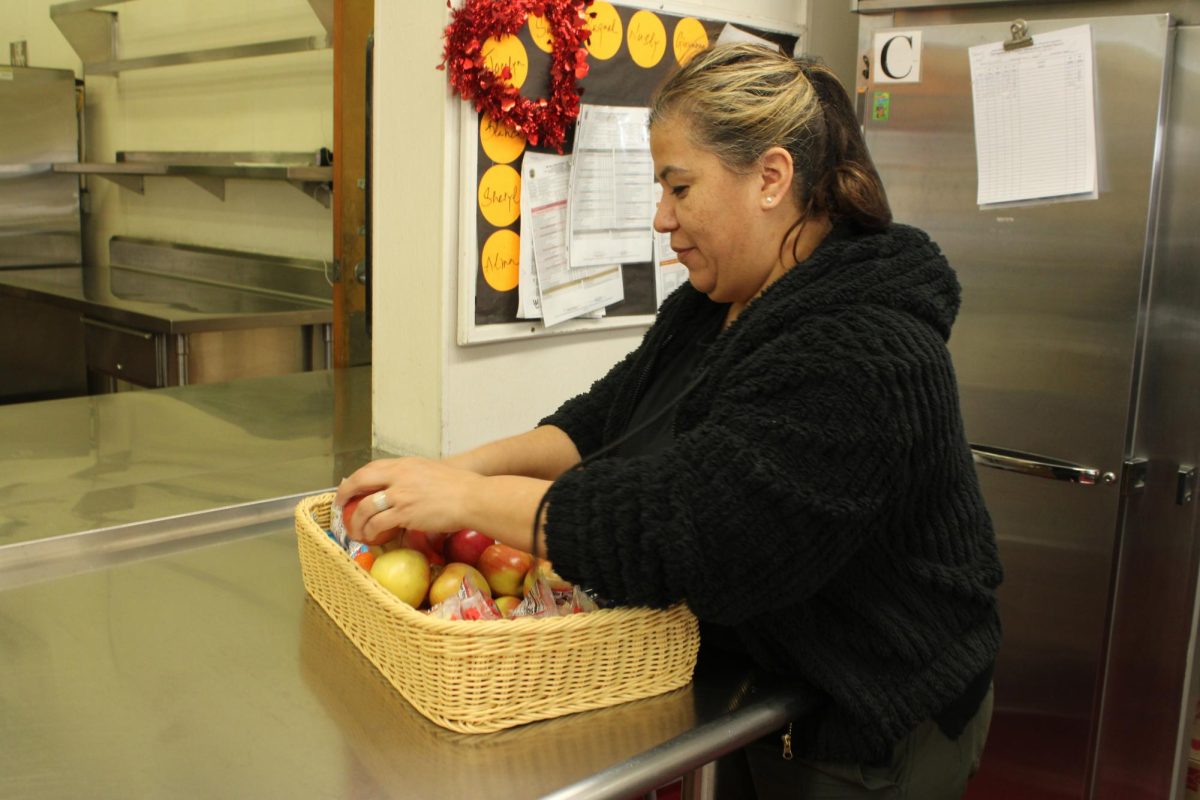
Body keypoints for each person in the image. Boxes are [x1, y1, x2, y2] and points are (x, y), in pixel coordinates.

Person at [335, 42, 1002, 799]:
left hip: (874, 708)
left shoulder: (868, 354)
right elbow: (605, 421)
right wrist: (462, 470)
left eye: (680, 187)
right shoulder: (717, 303)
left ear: (772, 179)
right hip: (772, 678)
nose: (662, 219)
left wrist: (467, 503)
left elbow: (697, 525)